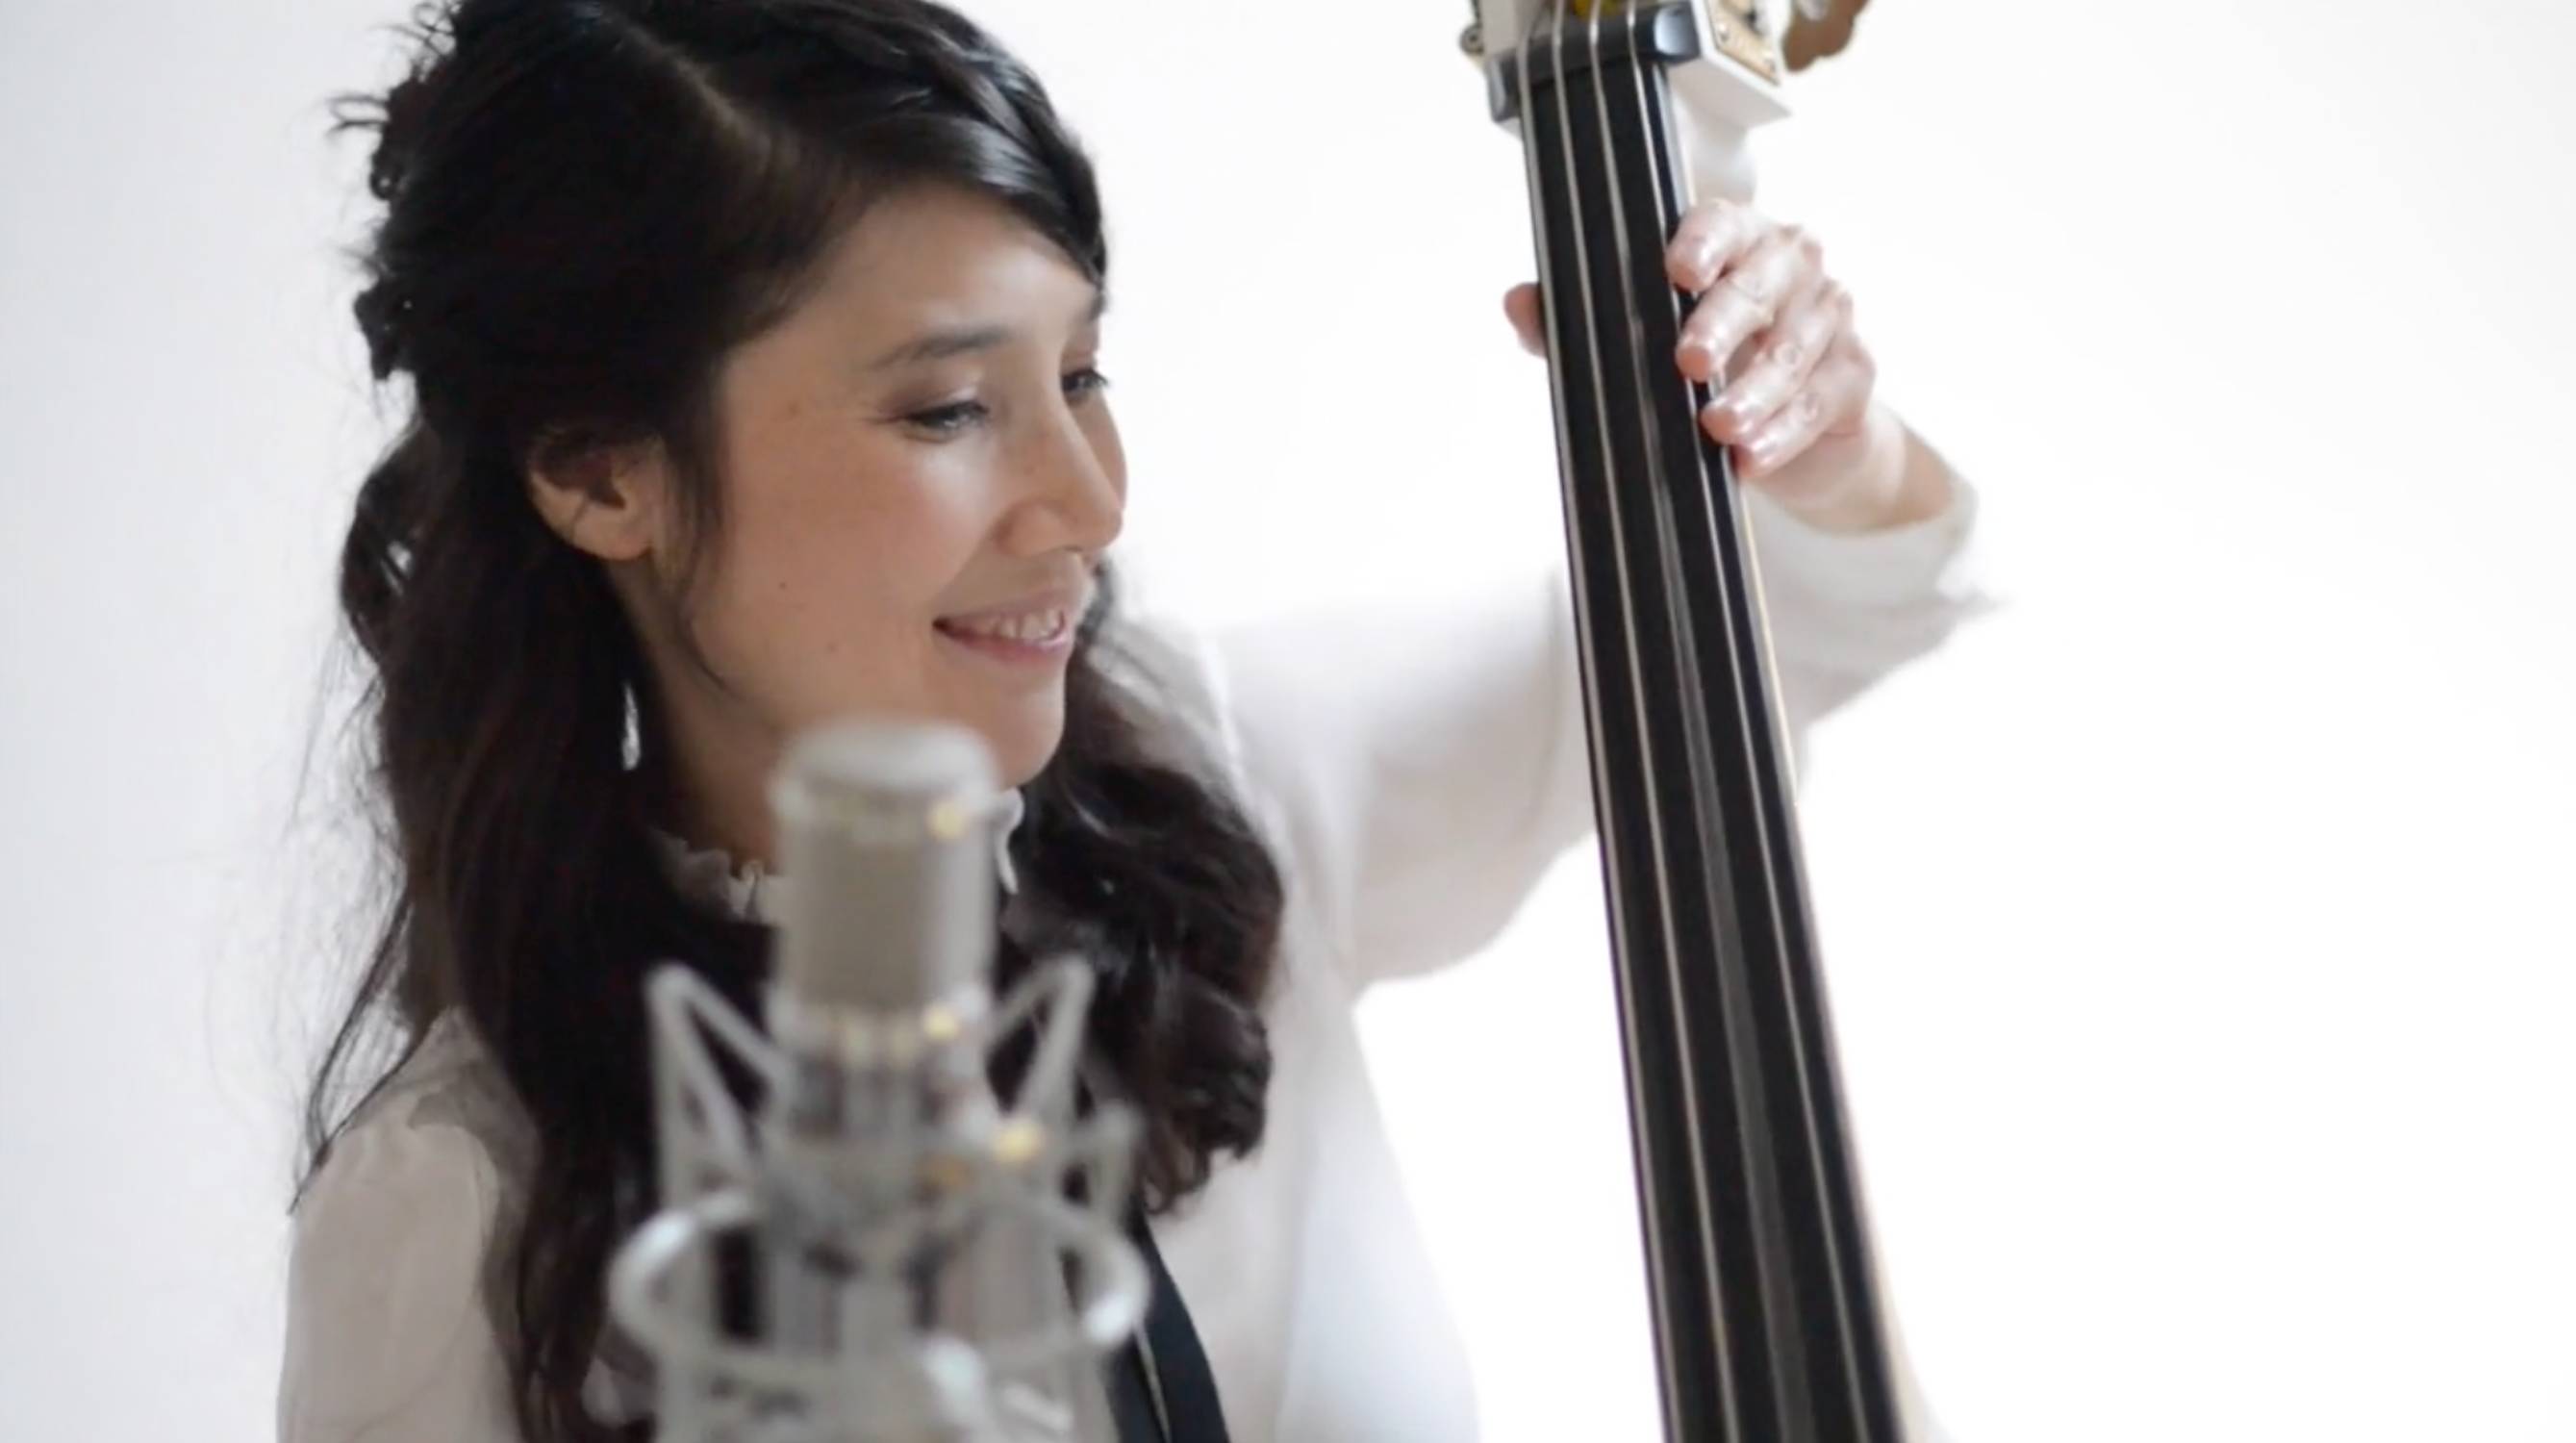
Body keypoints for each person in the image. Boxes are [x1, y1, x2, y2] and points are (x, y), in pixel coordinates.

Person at [278, 1, 1982, 1440]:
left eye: (1081, 376)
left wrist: (1816, 436)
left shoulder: (1220, 775)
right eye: (948, 408)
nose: (1088, 502)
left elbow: (1822, 615)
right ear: (598, 474)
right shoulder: (458, 1206)